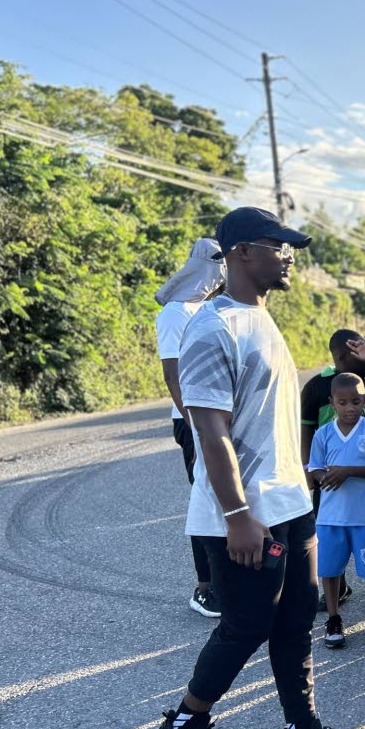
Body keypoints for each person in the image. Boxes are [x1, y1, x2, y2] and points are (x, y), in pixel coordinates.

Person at [151, 207, 364, 729]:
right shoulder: (212, 326)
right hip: (246, 512)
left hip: (290, 503)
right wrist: (238, 514)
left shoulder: (259, 317)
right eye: (278, 244)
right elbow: (211, 431)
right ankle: (185, 723)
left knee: (296, 619)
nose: (289, 253)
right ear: (242, 251)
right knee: (246, 625)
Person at [300, 330, 365, 606]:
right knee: (332, 529)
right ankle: (339, 584)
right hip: (329, 475)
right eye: (360, 349)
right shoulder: (316, 387)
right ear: (345, 356)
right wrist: (308, 470)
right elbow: (307, 429)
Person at [154, 237, 226, 618]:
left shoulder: (209, 308)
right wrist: (199, 430)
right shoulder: (175, 313)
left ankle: (228, 580)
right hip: (192, 419)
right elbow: (173, 375)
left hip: (217, 415)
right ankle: (205, 587)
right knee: (205, 498)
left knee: (225, 497)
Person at [310, 372, 365, 649]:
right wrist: (326, 477)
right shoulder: (323, 434)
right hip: (331, 517)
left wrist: (347, 472)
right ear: (332, 402)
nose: (350, 408)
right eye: (343, 402)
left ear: (364, 401)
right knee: (330, 569)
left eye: (356, 402)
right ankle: (334, 618)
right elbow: (316, 469)